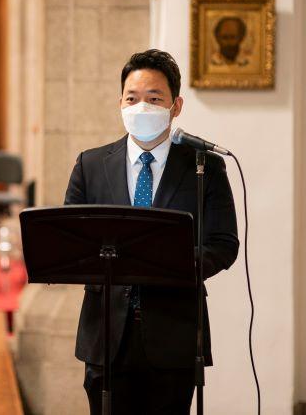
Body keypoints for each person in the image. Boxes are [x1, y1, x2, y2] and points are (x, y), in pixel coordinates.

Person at [65, 49, 239, 414]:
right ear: (120, 102)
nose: (141, 106)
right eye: (133, 98)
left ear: (176, 106)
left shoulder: (204, 166)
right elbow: (71, 240)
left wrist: (165, 263)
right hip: (106, 334)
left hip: (174, 333)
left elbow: (222, 245)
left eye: (154, 98)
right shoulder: (91, 164)